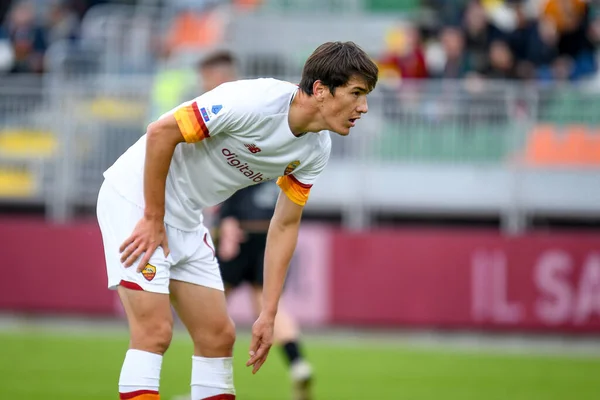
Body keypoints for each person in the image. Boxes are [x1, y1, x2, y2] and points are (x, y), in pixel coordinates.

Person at [96, 41, 378, 400]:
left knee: (218, 336)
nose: (363, 107)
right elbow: (161, 132)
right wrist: (153, 217)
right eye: (356, 93)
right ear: (321, 90)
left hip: (185, 215)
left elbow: (285, 224)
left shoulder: (315, 149)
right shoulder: (254, 101)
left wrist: (268, 313)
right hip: (135, 199)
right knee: (155, 333)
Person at [201, 50, 315, 400]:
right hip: (270, 228)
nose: (204, 84)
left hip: (241, 227)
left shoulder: (236, 109)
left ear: (219, 76)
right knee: (264, 306)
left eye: (207, 77)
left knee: (207, 311)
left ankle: (205, 386)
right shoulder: (276, 114)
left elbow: (238, 172)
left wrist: (227, 221)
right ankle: (298, 364)